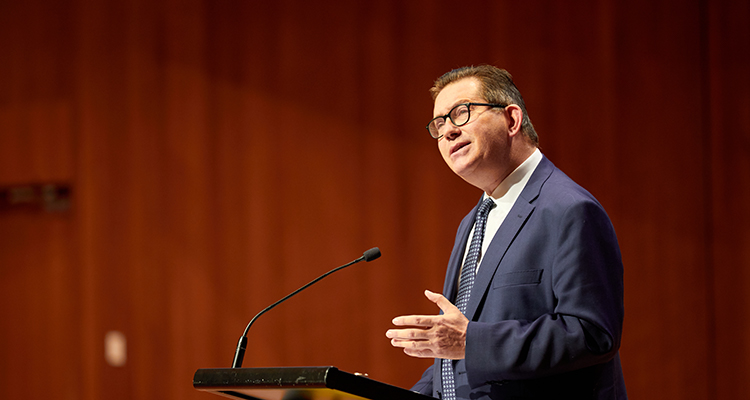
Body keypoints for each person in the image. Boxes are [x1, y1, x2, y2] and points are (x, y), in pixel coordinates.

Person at [385, 65, 626, 399]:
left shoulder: (569, 210)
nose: (448, 132)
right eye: (439, 124)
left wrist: (470, 341)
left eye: (461, 113)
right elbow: (457, 356)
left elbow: (592, 333)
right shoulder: (473, 221)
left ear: (512, 120)